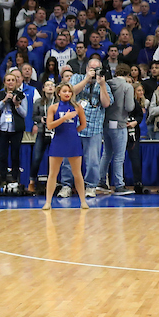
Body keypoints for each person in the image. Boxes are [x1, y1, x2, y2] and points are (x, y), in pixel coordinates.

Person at [42, 82, 89, 210]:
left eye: (69, 91)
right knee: (53, 173)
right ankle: (48, 202)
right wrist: (65, 118)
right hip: (58, 140)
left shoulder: (78, 107)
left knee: (77, 173)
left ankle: (83, 201)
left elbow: (83, 125)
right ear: (59, 93)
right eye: (64, 91)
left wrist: (73, 132)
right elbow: (50, 125)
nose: (67, 93)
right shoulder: (53, 108)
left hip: (73, 141)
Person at [71, 57, 111, 194]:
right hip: (74, 128)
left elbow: (106, 104)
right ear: (87, 68)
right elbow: (71, 93)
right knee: (69, 159)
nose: (94, 71)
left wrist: (102, 85)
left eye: (97, 69)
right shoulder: (77, 78)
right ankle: (67, 185)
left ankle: (90, 186)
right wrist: (86, 79)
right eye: (91, 68)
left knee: (93, 161)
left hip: (94, 128)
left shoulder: (104, 83)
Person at [0, 71, 29, 190]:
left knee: (15, 155)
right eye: (8, 80)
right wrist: (4, 100)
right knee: (3, 155)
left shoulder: (21, 95)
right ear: (4, 83)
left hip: (16, 129)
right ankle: (3, 179)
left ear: (16, 82)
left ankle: (15, 179)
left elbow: (24, 113)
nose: (11, 82)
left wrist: (17, 105)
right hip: (2, 128)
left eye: (13, 80)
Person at [101, 71, 137, 195]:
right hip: (120, 123)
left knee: (107, 153)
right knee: (119, 156)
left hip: (106, 123)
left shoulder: (106, 84)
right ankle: (119, 185)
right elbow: (129, 107)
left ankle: (101, 181)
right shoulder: (127, 86)